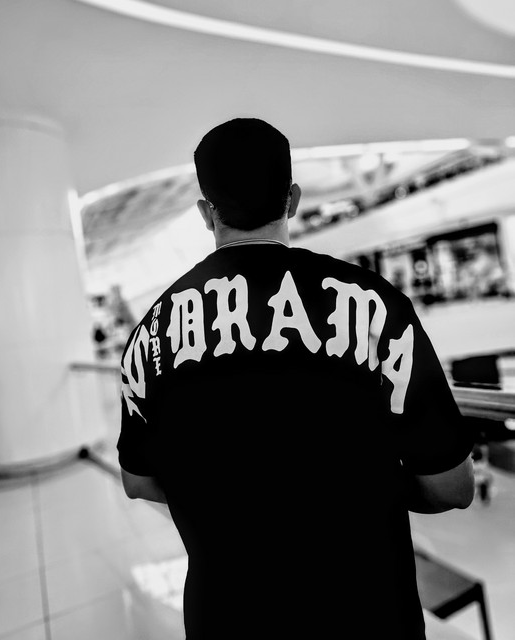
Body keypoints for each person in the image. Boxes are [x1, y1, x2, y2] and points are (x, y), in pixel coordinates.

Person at [117, 118, 475, 640]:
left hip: (226, 619)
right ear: (293, 199)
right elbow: (453, 486)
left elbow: (137, 481)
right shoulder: (375, 308)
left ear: (205, 213)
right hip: (371, 617)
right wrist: (368, 485)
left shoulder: (149, 336)